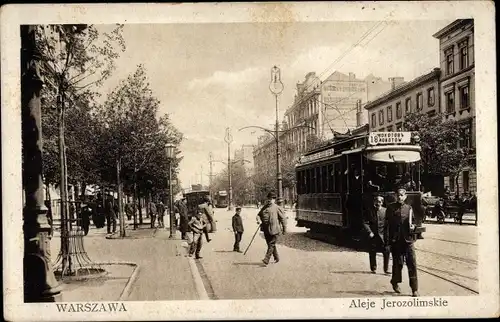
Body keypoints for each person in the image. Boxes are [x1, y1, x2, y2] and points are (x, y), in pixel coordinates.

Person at [385, 188, 419, 297]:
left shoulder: (409, 208)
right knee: (398, 264)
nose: (400, 197)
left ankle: (414, 289)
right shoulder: (390, 208)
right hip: (396, 241)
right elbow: (387, 226)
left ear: (405, 197)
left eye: (402, 195)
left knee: (412, 264)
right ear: (396, 196)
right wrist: (388, 241)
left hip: (408, 240)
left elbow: (413, 222)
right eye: (398, 195)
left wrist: (413, 226)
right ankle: (394, 282)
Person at [256, 191, 287, 266]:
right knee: (270, 245)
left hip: (275, 229)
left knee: (271, 244)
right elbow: (258, 215)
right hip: (266, 230)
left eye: (271, 199)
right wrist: (258, 220)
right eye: (268, 199)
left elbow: (283, 218)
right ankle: (276, 257)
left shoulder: (277, 208)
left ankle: (266, 259)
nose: (269, 200)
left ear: (274, 200)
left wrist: (284, 229)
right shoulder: (264, 207)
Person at [363, 196, 390, 274]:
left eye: (379, 202)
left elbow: (389, 223)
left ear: (382, 202)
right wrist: (369, 232)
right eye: (376, 202)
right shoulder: (370, 211)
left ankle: (386, 269)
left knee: (386, 251)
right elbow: (365, 223)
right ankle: (373, 267)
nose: (378, 203)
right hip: (373, 235)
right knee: (372, 251)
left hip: (384, 236)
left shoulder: (386, 211)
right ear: (374, 202)